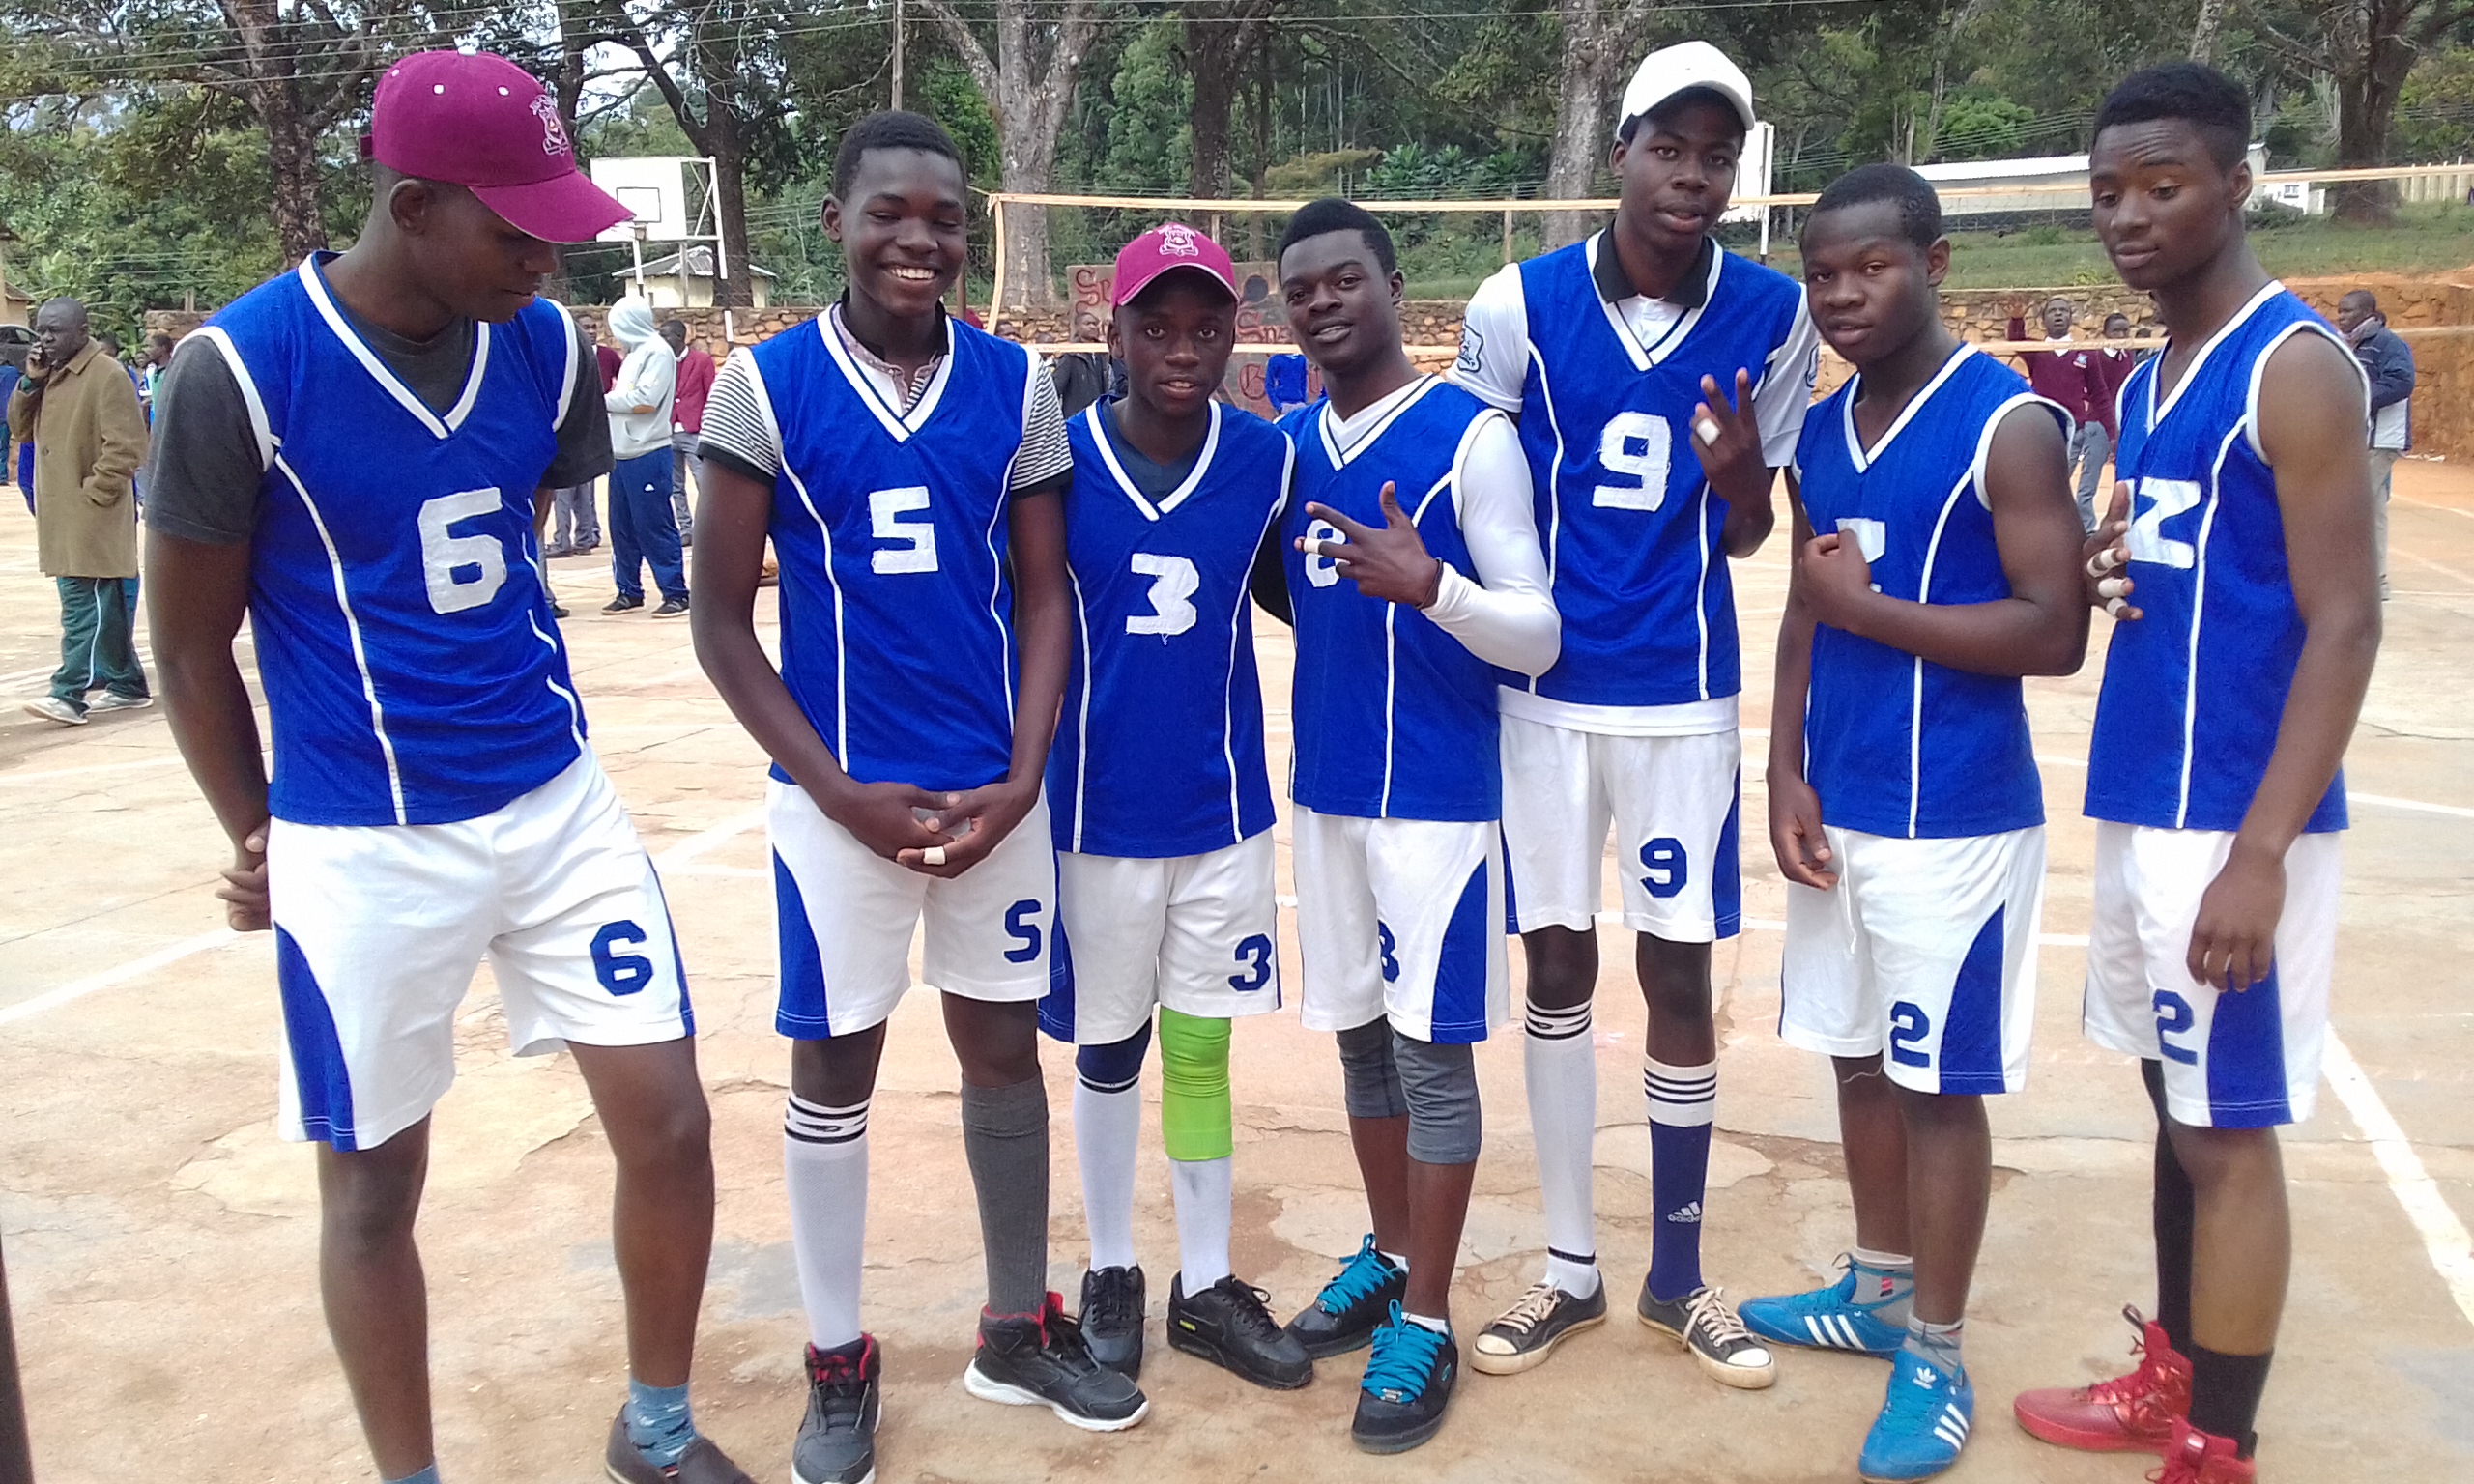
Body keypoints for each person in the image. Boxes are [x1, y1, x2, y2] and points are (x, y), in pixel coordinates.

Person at [141, 49, 752, 1484]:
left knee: (669, 1124)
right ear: (411, 207)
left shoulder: (538, 349)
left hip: (554, 802)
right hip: (364, 837)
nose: (545, 261)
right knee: (373, 1184)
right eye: (516, 230)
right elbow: (186, 647)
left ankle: (656, 1429)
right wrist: (258, 830)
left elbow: (501, 543)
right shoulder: (242, 371)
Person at [689, 110, 1144, 1484]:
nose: (919, 239)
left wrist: (1024, 777)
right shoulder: (763, 388)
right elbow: (720, 624)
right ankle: (838, 1357)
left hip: (992, 797)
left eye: (944, 218)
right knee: (835, 1065)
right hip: (837, 801)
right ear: (836, 220)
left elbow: (1045, 597)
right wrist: (835, 791)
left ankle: (1013, 1328)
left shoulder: (1017, 388)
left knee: (1003, 1053)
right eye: (889, 211)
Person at [2011, 63, 2381, 1484]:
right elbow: (2220, 565)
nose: (2129, 215)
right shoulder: (2158, 372)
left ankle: (2218, 1445)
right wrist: (2120, 566)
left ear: (2237, 183)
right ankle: (2173, 1375)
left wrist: (2261, 855)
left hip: (2233, 814)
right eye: (2108, 191)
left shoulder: (2293, 365)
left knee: (2228, 1134)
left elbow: (2346, 622)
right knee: (2178, 1108)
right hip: (2149, 797)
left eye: (2162, 186)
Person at [1447, 39, 1817, 1389]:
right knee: (1554, 968)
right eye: (1670, 147)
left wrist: (1739, 481)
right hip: (1543, 698)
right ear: (1622, 151)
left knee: (1676, 972)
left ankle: (1676, 1271)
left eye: (1717, 156)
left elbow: (1749, 533)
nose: (1692, 176)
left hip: (1679, 696)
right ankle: (1568, 1268)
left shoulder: (1775, 315)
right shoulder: (1517, 304)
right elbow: (1475, 481)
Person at [1734, 164, 2087, 1483]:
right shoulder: (1822, 433)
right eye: (1822, 274)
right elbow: (1803, 611)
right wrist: (1783, 769)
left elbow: (2053, 632)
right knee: (1856, 1056)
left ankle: (1936, 1350)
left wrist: (1870, 611)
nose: (1843, 295)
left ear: (1934, 266)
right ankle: (1879, 1288)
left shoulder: (2010, 425)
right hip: (1845, 800)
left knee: (1939, 1087)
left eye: (1871, 267)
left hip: (1959, 819)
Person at [1269, 197, 1560, 1454]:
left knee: (1432, 1058)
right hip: (1328, 789)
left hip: (1437, 801)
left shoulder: (1470, 438)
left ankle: (1428, 1318)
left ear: (1393, 288)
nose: (1323, 302)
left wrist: (1432, 585)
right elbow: (1288, 594)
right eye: (1301, 289)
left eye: (1345, 279)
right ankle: (1390, 1255)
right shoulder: (1289, 445)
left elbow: (1537, 632)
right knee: (1358, 1045)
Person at [1041, 222, 1313, 1395]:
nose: (1183, 350)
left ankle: (1205, 1282)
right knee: (1108, 1046)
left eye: (1207, 329)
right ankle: (1112, 1265)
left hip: (1221, 809)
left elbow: (1300, 595)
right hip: (1092, 813)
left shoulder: (1264, 461)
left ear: (1235, 336)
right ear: (1115, 334)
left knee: (1201, 1048)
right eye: (1157, 327)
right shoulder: (1055, 461)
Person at [10, 296, 151, 725]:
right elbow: (20, 429)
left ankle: (68, 692)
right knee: (104, 602)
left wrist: (95, 494)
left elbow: (127, 447)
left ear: (82, 332)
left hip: (91, 513)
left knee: (82, 603)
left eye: (54, 331)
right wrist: (30, 382)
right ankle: (126, 683)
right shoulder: (50, 374)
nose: (45, 339)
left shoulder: (107, 375)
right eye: (41, 330)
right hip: (63, 513)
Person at [602, 296, 686, 615]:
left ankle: (675, 592)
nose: (616, 334)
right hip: (621, 453)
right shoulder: (634, 354)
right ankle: (628, 590)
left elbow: (646, 401)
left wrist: (601, 400)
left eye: (619, 326)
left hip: (648, 451)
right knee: (621, 527)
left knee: (654, 524)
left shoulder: (657, 352)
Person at [2337, 289, 2414, 600]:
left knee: (2353, 506)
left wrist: (2359, 400)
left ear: (2368, 312)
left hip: (2380, 440)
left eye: (2347, 311)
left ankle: (2356, 580)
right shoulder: (2348, 344)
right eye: (2339, 311)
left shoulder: (2387, 344)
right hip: (2358, 440)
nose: (2341, 317)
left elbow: (2402, 381)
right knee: (2374, 509)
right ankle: (2376, 581)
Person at [2006, 297, 2106, 531]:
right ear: (2043, 320)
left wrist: (2111, 432)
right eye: (2053, 311)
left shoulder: (2085, 353)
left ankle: (2080, 530)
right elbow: (2017, 340)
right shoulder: (2036, 351)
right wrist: (2017, 319)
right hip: (2043, 430)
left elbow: (2099, 393)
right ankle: (2042, 530)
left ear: (2071, 317)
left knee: (2065, 484)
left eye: (2063, 310)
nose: (2059, 314)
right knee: (2043, 485)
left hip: (2075, 430)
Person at [665, 318, 713, 547]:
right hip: (668, 431)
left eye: (666, 335)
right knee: (675, 485)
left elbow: (711, 394)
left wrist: (708, 428)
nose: (662, 340)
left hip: (694, 431)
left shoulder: (702, 361)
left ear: (679, 337)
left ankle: (709, 528)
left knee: (703, 481)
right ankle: (685, 528)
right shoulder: (662, 360)